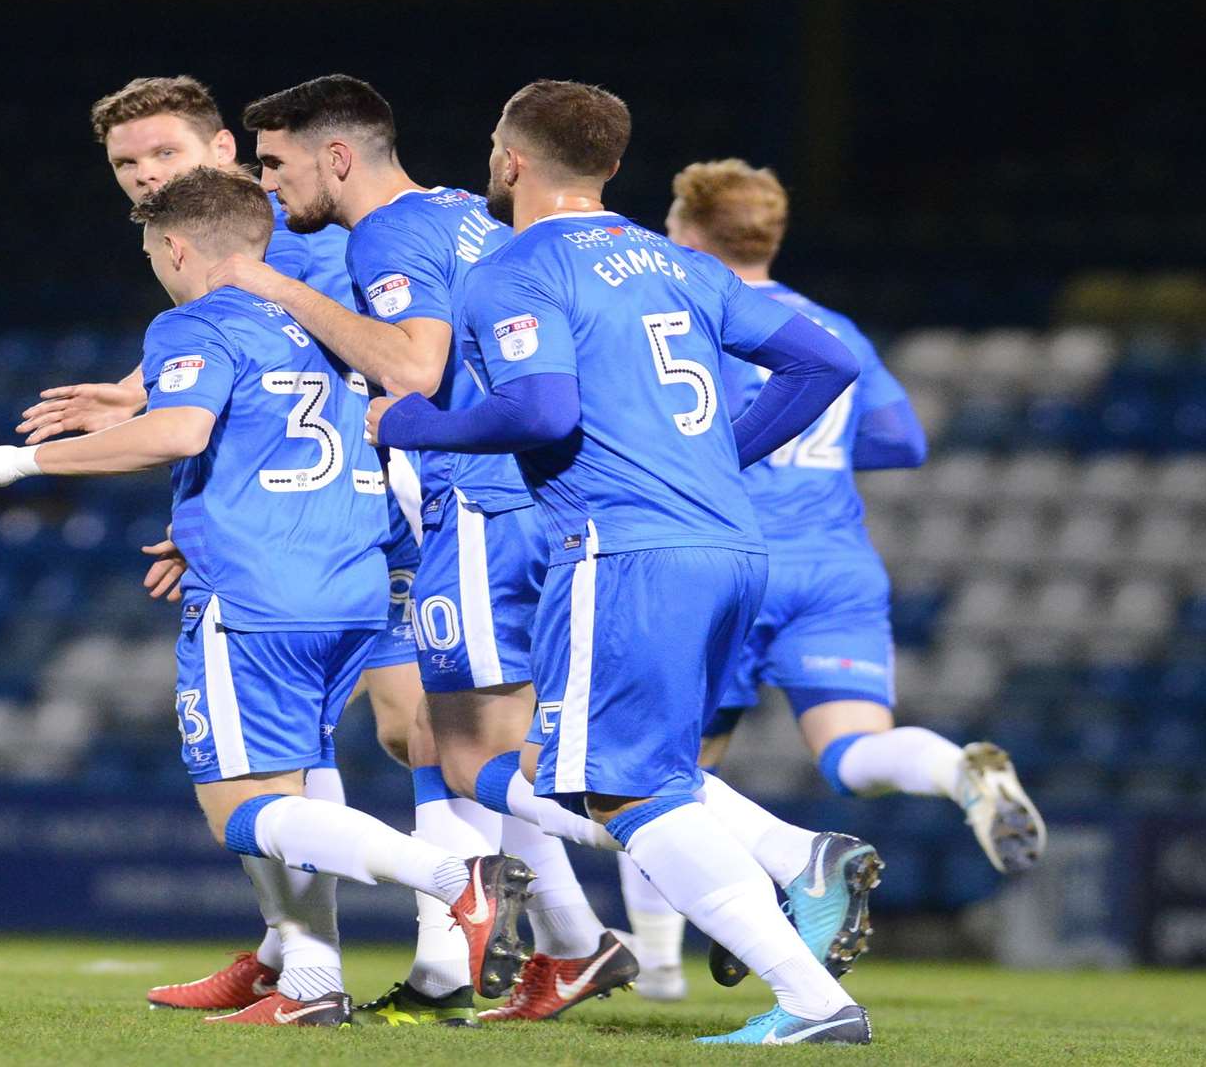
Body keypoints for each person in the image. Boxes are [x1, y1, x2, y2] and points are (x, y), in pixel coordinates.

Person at [0, 168, 532, 1026]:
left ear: (176, 246)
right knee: (295, 789)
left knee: (244, 810)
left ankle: (453, 879)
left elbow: (179, 430)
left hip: (256, 594)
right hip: (355, 590)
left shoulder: (192, 322)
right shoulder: (331, 327)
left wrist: (11, 461)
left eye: (152, 251)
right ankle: (309, 988)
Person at [372, 80, 874, 1045]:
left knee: (626, 792)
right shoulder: (679, 262)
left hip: (624, 547)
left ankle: (812, 991)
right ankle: (795, 883)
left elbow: (543, 412)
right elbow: (826, 362)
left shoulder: (516, 268)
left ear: (513, 159)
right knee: (630, 776)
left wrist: (417, 423)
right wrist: (725, 450)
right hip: (729, 543)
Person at [206, 74, 631, 1023]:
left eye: (277, 163)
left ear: (339, 157)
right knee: (442, 737)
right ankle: (550, 947)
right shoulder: (461, 218)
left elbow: (411, 366)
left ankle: (755, 853)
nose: (270, 185)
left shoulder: (389, 232)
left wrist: (266, 280)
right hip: (533, 501)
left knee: (488, 748)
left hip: (479, 505)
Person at [4, 75, 433, 1015]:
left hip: (367, 524)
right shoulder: (234, 272)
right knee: (313, 749)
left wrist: (50, 456)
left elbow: (369, 364)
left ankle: (473, 914)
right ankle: (298, 956)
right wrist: (144, 403)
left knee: (419, 734)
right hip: (320, 535)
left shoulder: (310, 247)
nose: (146, 175)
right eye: (127, 163)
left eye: (165, 154)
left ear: (227, 154)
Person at [618, 160, 1048, 1000]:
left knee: (664, 766)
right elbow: (903, 441)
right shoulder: (831, 326)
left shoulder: (692, 315)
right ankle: (958, 770)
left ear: (688, 231)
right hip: (836, 564)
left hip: (729, 561)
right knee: (852, 754)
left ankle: (661, 966)